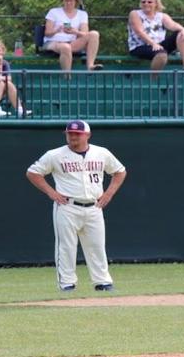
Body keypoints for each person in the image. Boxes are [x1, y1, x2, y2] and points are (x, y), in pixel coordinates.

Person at [25, 121, 128, 292]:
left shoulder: (101, 153)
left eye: (77, 134)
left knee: (96, 245)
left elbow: (120, 171)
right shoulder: (55, 155)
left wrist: (109, 194)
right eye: (70, 133)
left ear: (87, 135)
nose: (73, 136)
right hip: (67, 206)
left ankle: (102, 282)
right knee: (66, 246)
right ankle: (67, 284)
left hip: (94, 206)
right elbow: (33, 172)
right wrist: (52, 193)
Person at [127, 0, 184, 72]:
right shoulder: (135, 14)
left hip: (159, 45)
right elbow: (139, 32)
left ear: (156, 4)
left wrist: (183, 29)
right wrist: (153, 43)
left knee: (182, 34)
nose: (146, 4)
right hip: (140, 47)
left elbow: (173, 25)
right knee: (162, 55)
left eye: (149, 2)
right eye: (143, 2)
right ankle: (154, 79)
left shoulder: (162, 16)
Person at [42, 0, 103, 74]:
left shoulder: (82, 14)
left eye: (70, 1)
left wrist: (75, 32)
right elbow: (47, 33)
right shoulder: (53, 12)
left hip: (72, 42)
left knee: (94, 34)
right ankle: (67, 76)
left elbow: (85, 33)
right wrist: (57, 30)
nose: (68, 3)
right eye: (66, 1)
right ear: (62, 1)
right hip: (53, 42)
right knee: (65, 47)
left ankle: (90, 66)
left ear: (76, 1)